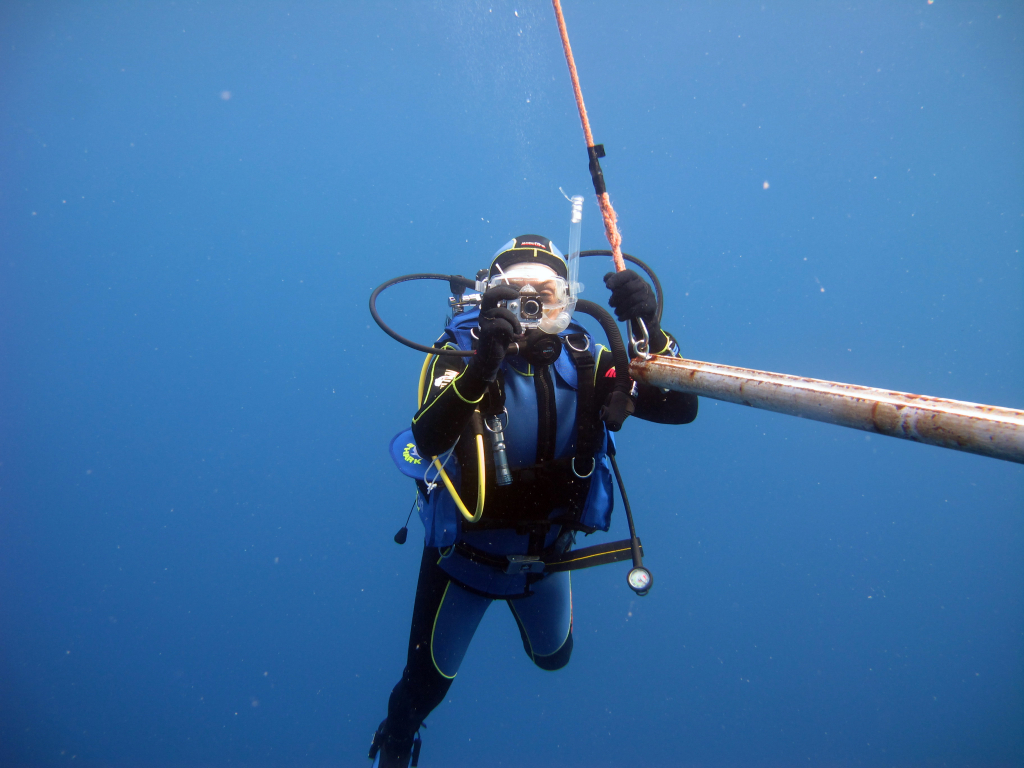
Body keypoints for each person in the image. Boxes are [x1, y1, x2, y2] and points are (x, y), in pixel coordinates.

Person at [369, 235, 697, 767]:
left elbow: (680, 408)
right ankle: (397, 740)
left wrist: (653, 334)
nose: (529, 307)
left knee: (554, 658)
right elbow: (427, 438)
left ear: (566, 302)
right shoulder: (456, 354)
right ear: (488, 300)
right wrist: (480, 369)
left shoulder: (589, 362)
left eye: (544, 295)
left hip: (547, 561)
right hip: (461, 565)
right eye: (513, 295)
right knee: (421, 691)